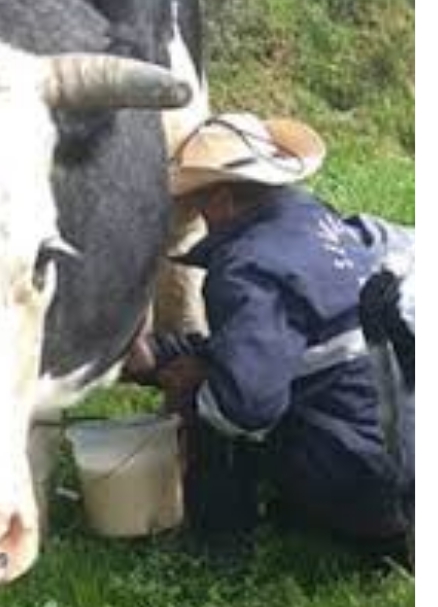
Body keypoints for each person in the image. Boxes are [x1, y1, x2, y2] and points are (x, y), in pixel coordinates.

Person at [123, 114, 413, 569]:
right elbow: (270, 345)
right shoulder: (323, 224)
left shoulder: (246, 268)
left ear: (221, 199)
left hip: (371, 489)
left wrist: (188, 394)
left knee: (221, 410)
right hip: (408, 464)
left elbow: (245, 405)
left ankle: (218, 554)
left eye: (198, 204)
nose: (198, 216)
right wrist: (160, 355)